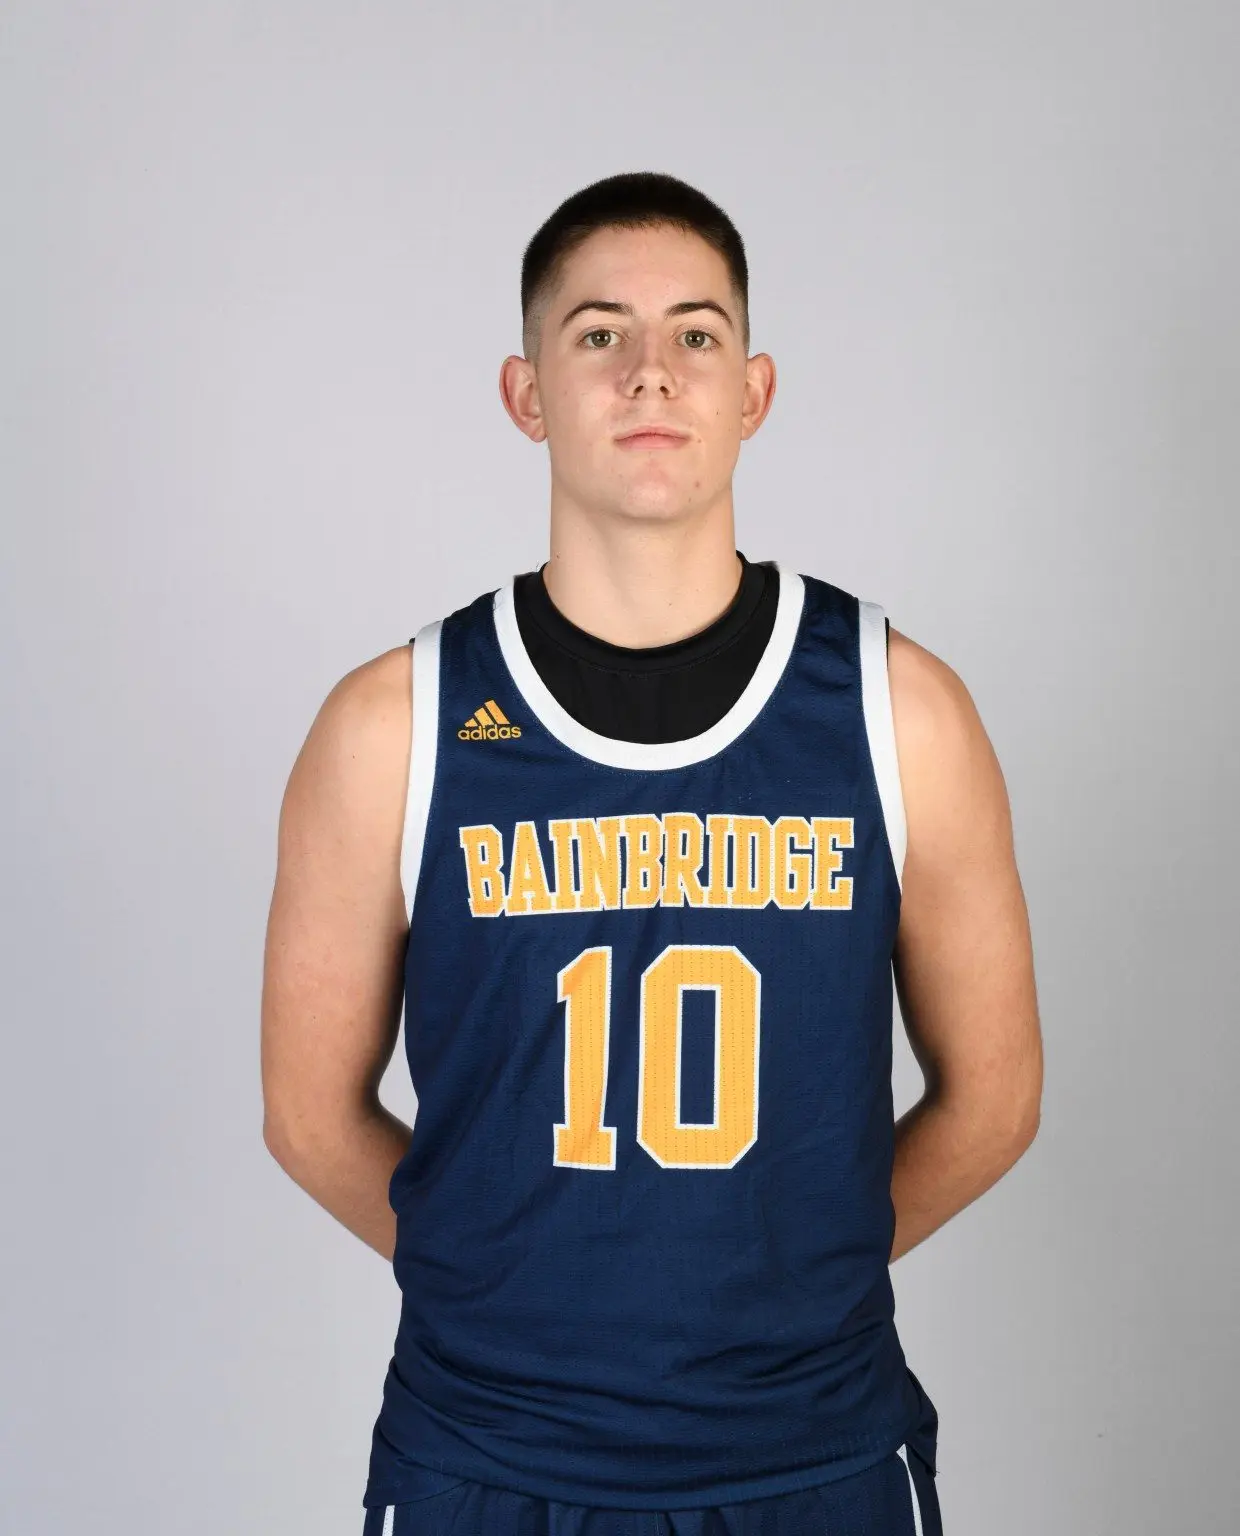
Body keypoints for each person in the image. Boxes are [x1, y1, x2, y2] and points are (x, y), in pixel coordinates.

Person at [261, 171, 1043, 1536]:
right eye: (598, 334)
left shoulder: (895, 708)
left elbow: (997, 1098)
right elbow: (307, 1116)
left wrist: (790, 1279)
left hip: (811, 1455)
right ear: (526, 394)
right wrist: (510, 1286)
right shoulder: (394, 726)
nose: (650, 373)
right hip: (490, 1453)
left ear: (754, 391)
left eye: (695, 332)